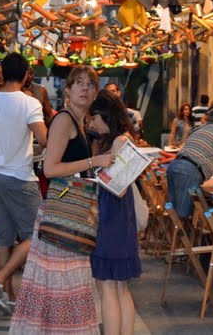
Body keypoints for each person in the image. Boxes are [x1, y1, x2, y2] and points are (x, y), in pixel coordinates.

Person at [10, 66, 114, 333]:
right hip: (63, 214)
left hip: (73, 214)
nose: (85, 89)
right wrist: (94, 161)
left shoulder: (80, 122)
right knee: (60, 287)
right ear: (67, 90)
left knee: (63, 289)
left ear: (95, 93)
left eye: (90, 85)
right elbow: (51, 169)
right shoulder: (64, 120)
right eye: (79, 83)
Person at [0, 52, 49, 313]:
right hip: (20, 178)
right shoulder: (30, 104)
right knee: (37, 235)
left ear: (2, 74)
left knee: (2, 238)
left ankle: (7, 297)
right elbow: (45, 139)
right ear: (27, 74)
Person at [87, 91, 141, 335]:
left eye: (94, 118)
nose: (91, 124)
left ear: (105, 115)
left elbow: (118, 188)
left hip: (111, 216)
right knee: (120, 288)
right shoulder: (121, 139)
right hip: (120, 217)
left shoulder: (120, 142)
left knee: (107, 287)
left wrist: (98, 167)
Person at [167, 105, 213, 219]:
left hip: (174, 166)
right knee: (181, 216)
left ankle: (171, 236)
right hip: (189, 171)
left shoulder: (198, 129)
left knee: (172, 213)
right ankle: (181, 236)